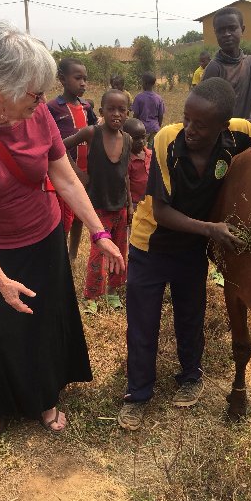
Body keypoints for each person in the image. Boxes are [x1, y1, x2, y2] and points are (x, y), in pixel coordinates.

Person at [0, 22, 125, 468]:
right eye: (33, 94)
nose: (42, 103)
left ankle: (44, 398)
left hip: (44, 235)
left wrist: (99, 233)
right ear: (1, 87)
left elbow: (64, 178)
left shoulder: (35, 114)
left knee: (45, 319)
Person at [117, 77, 251, 431]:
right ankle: (138, 394)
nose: (190, 129)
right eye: (187, 118)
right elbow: (161, 212)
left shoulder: (238, 132)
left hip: (191, 249)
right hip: (152, 245)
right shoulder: (167, 142)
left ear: (223, 126)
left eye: (200, 124)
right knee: (143, 323)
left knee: (191, 316)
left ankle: (190, 376)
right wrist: (212, 230)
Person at [64, 89, 133, 314]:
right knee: (98, 253)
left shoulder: (128, 139)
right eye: (111, 109)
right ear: (102, 112)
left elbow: (125, 175)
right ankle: (91, 296)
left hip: (120, 206)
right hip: (98, 208)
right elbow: (61, 148)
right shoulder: (92, 133)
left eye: (121, 110)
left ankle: (113, 291)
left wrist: (130, 204)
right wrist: (80, 175)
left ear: (127, 114)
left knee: (119, 252)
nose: (116, 114)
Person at [47, 58, 98, 260]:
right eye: (78, 78)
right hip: (67, 173)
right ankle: (59, 256)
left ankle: (72, 255)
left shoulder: (86, 107)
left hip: (87, 172)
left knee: (80, 215)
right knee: (65, 217)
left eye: (85, 79)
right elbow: (56, 144)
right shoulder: (53, 108)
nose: (83, 83)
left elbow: (96, 133)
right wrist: (77, 173)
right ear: (62, 79)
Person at [202, 6, 251, 119]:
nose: (226, 34)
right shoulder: (214, 68)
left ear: (242, 29)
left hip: (246, 130)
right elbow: (204, 109)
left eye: (232, 28)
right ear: (215, 33)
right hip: (221, 133)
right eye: (221, 30)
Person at [131, 71, 165, 149]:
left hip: (142, 129)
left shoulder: (139, 98)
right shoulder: (159, 98)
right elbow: (161, 115)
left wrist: (134, 127)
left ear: (145, 83)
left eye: (142, 82)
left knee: (142, 149)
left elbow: (135, 115)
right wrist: (158, 126)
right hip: (154, 128)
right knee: (152, 150)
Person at [122, 118, 151, 210]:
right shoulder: (127, 160)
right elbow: (125, 186)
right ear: (125, 139)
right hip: (135, 204)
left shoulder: (151, 154)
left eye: (143, 137)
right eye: (136, 138)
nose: (141, 141)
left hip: (150, 201)